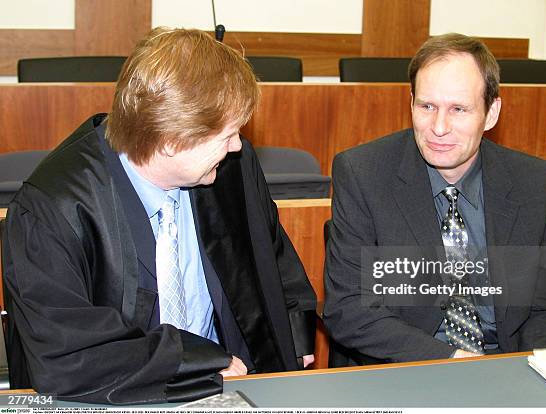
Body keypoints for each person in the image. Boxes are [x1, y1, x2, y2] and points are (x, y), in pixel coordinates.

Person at [2, 27, 316, 404]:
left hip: (233, 387)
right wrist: (194, 361)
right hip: (118, 395)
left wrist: (297, 334)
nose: (237, 145)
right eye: (228, 134)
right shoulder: (49, 210)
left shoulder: (231, 166)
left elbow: (271, 253)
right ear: (170, 140)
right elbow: (67, 352)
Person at [323, 33, 546, 364]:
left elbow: (545, 306)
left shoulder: (534, 182)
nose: (438, 127)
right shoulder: (362, 174)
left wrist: (536, 367)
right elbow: (349, 308)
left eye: (458, 109)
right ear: (410, 101)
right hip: (407, 366)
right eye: (426, 106)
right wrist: (456, 361)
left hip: (507, 364)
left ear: (492, 112)